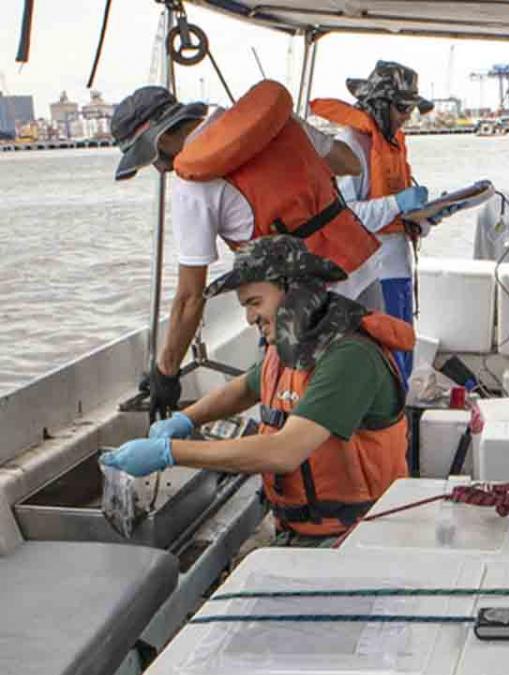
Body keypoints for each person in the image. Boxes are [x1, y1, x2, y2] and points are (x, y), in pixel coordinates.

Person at [101, 235, 412, 547]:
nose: (249, 318)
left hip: (362, 536)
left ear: (295, 294)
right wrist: (184, 420)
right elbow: (245, 388)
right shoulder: (294, 345)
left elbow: (283, 452)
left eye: (255, 303)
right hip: (306, 529)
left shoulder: (349, 357)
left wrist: (169, 454)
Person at [112, 80, 381, 419]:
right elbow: (349, 163)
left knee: (297, 417)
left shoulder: (193, 186)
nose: (159, 169)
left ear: (162, 139)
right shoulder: (279, 123)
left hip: (306, 308)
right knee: (368, 398)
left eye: (150, 159)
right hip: (362, 267)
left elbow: (190, 298)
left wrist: (165, 372)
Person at [311, 60, 439, 383]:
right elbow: (346, 215)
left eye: (410, 109)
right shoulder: (352, 145)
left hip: (397, 270)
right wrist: (398, 202)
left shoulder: (390, 144)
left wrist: (422, 219)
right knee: (385, 365)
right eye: (401, 108)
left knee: (402, 358)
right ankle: (386, 430)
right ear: (379, 105)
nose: (407, 116)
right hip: (374, 276)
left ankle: (398, 429)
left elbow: (391, 210)